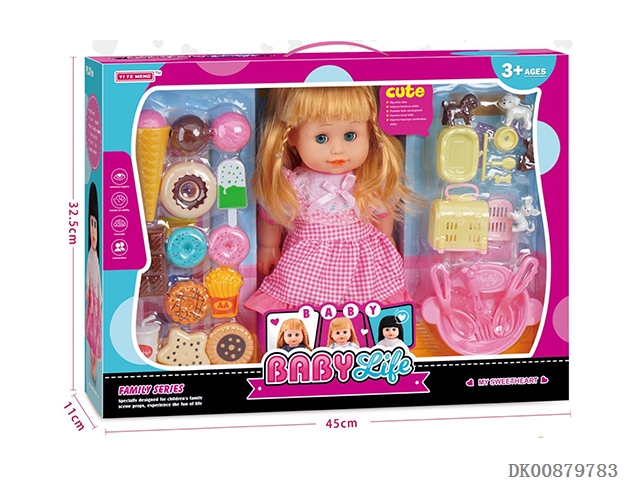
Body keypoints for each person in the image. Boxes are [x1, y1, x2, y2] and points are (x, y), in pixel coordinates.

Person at [245, 86, 421, 314]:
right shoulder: (296, 184)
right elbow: (273, 214)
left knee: (370, 303)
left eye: (350, 136)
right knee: (299, 299)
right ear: (292, 136)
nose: (338, 150)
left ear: (370, 132)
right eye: (321, 138)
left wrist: (387, 239)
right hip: (309, 264)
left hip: (364, 262)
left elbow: (382, 213)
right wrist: (268, 246)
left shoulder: (367, 181)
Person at [86, 182, 102, 381]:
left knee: (96, 336)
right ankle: (92, 368)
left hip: (96, 303)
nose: (93, 232)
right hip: (93, 303)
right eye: (91, 225)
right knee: (91, 334)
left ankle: (94, 367)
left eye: (95, 226)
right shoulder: (91, 255)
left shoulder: (96, 258)